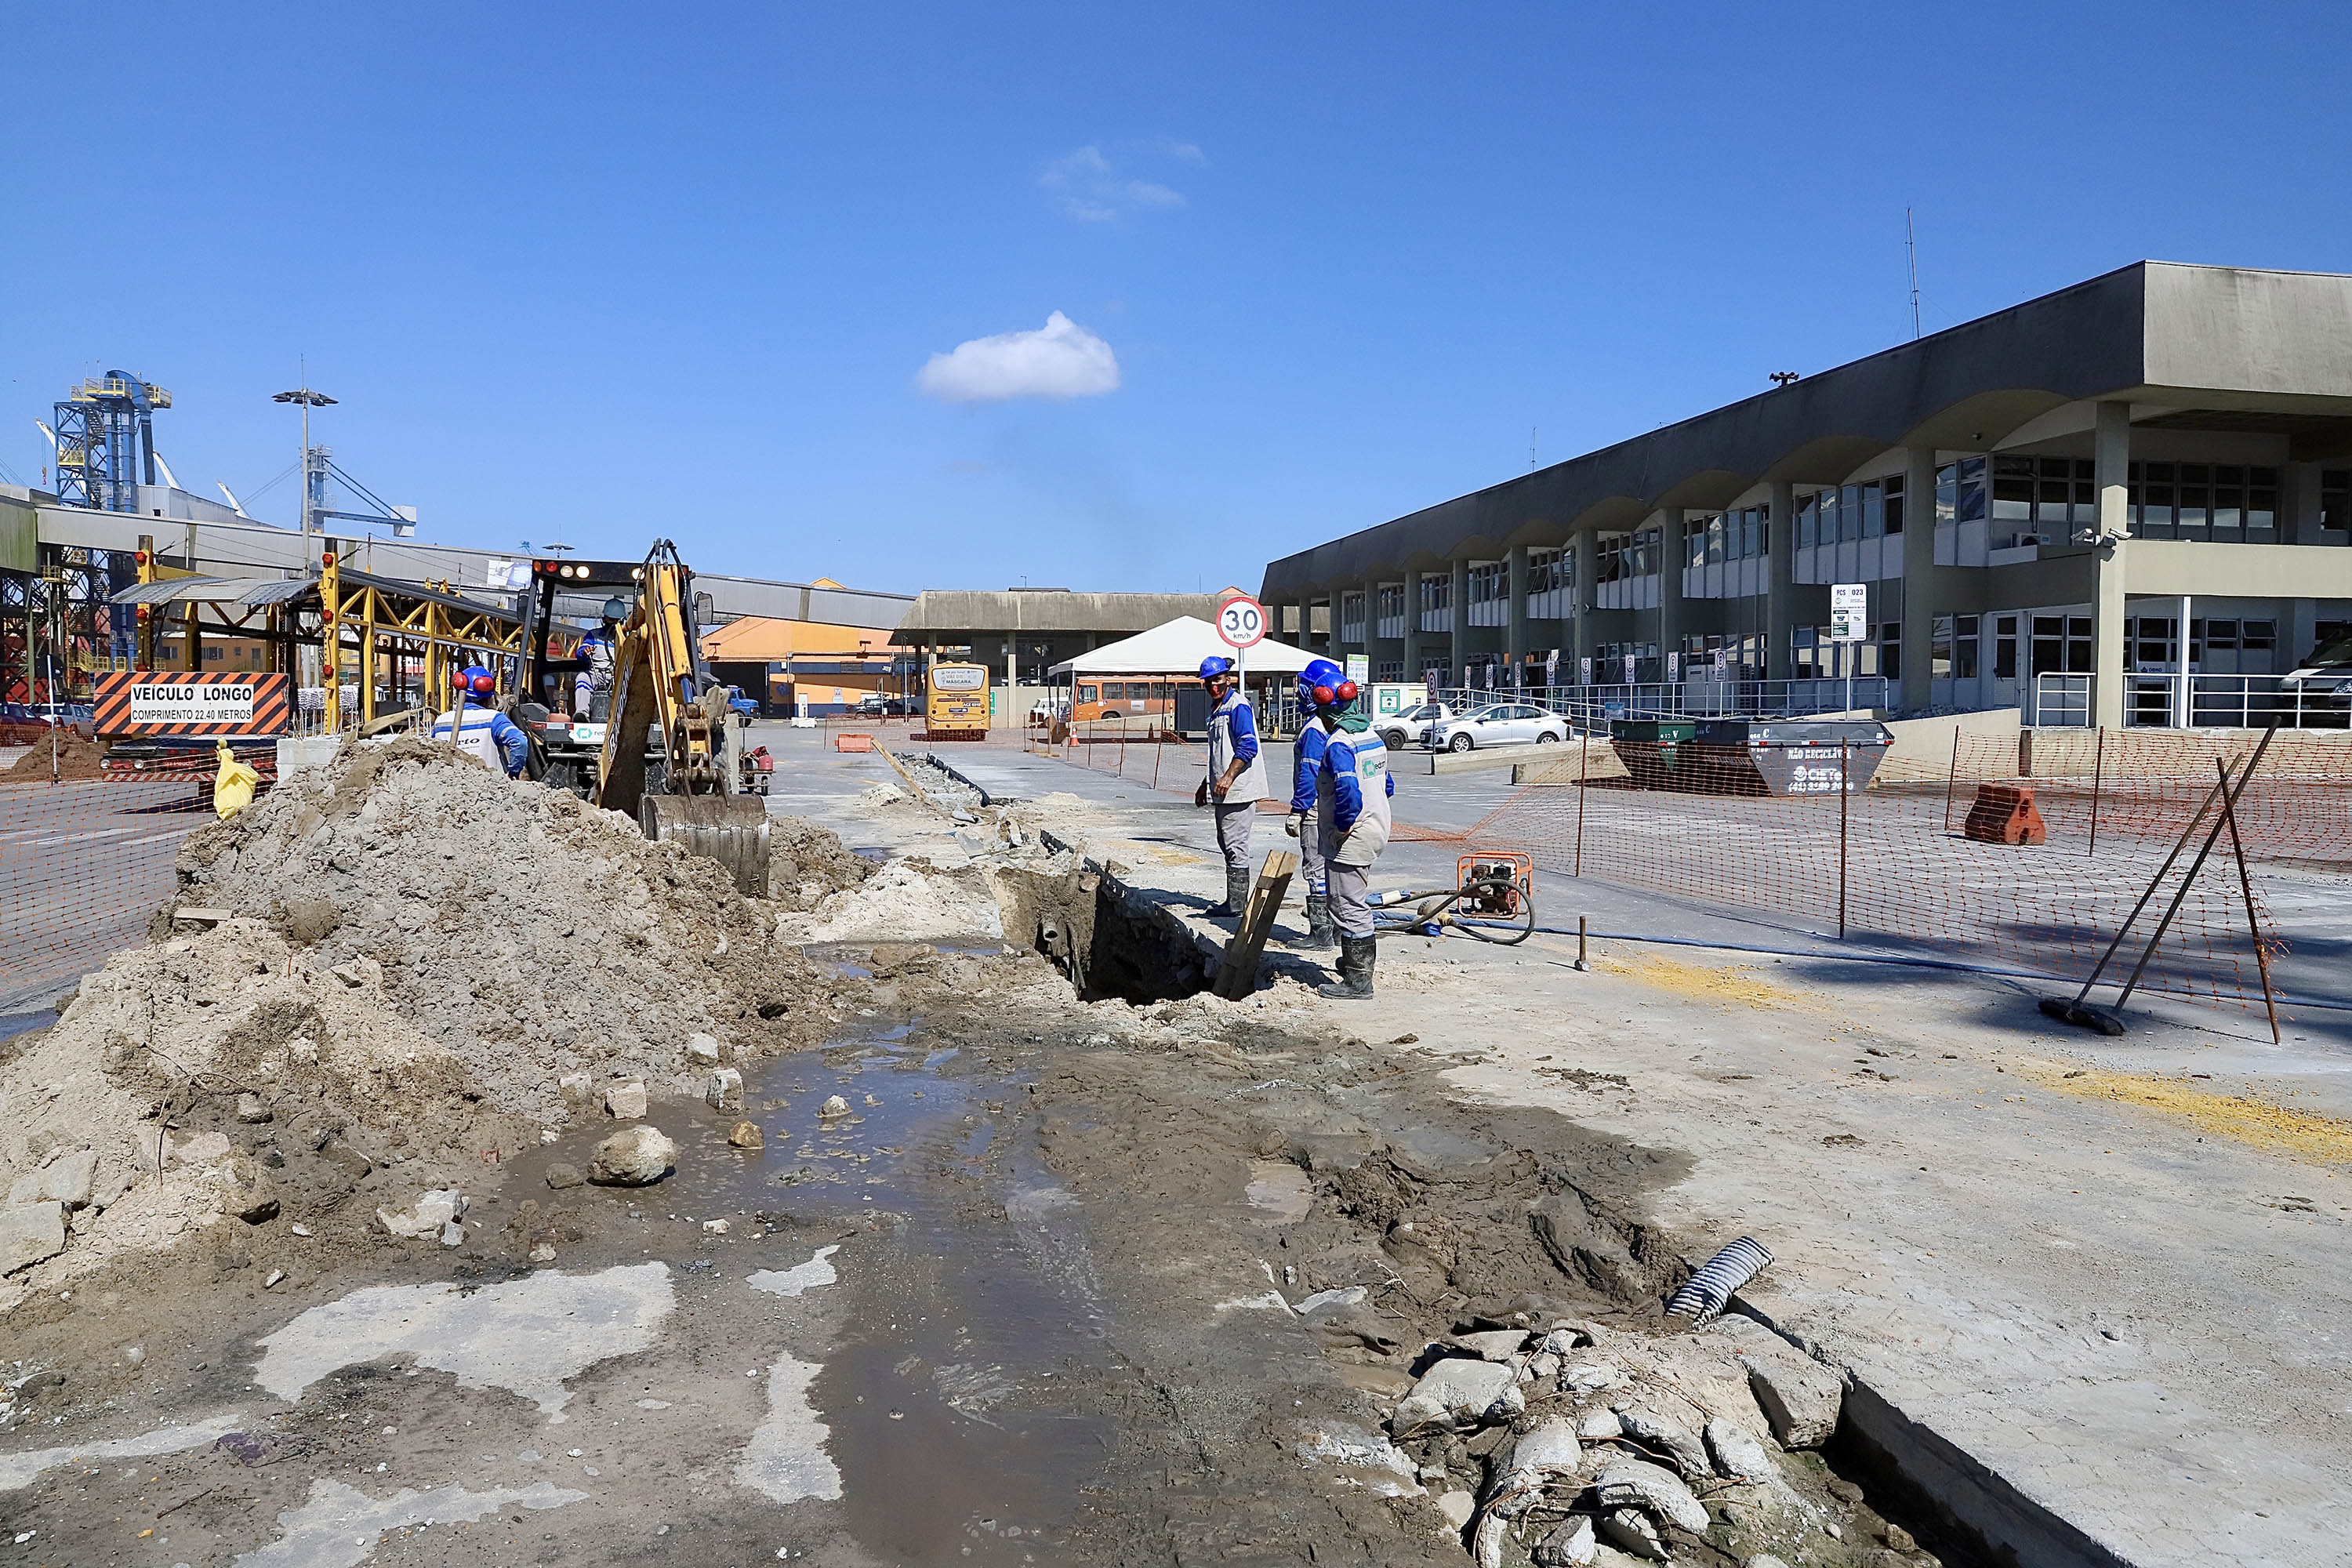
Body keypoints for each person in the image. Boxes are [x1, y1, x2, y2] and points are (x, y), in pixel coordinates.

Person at [1301, 659, 1393, 999]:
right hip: (1377, 826)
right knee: (1352, 900)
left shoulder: (1339, 744)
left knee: (1346, 904)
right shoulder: (1371, 736)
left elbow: (1348, 793)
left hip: (1353, 835)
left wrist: (1341, 828)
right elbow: (1388, 784)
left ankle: (1358, 982)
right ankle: (1354, 964)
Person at [1192, 655, 1265, 920]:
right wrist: (1207, 783)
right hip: (1224, 790)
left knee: (1235, 845)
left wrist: (1228, 778)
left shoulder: (1238, 706)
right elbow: (1217, 753)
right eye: (1209, 682)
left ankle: (1237, 906)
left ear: (1228, 680)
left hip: (1238, 790)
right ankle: (1234, 901)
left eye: (1218, 681)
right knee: (1225, 842)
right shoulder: (1217, 709)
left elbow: (1248, 747)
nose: (1214, 686)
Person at [1284, 662, 1341, 951]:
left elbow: (1309, 772)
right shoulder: (1344, 725)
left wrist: (1298, 810)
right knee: (1337, 868)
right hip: (1339, 808)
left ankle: (1321, 933)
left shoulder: (1314, 729)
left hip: (1316, 810)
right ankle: (1340, 930)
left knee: (1316, 867)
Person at [433, 664, 530, 778]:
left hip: (449, 786)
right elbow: (519, 742)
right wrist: (513, 773)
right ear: (490, 697)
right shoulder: (493, 719)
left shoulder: (441, 721)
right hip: (490, 789)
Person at [572, 597, 626, 720]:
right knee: (582, 678)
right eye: (610, 620)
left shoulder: (627, 638)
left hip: (617, 675)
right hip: (596, 674)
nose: (613, 624)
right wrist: (585, 652)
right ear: (604, 619)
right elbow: (581, 651)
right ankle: (582, 715)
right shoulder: (593, 635)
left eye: (616, 621)